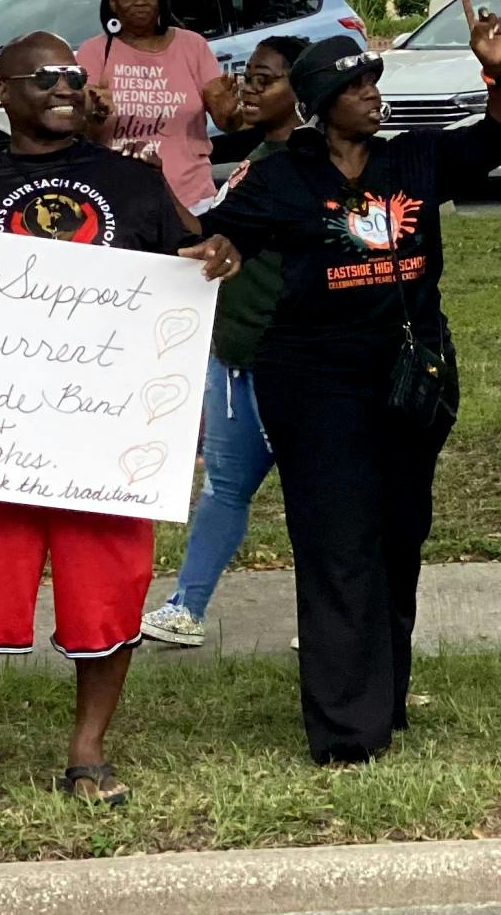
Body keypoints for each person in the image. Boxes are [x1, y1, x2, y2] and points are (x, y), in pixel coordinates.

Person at [0, 30, 240, 824]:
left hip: (104, 441)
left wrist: (215, 257)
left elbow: (187, 262)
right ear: (4, 92)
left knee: (107, 601)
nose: (67, 86)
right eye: (45, 77)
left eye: (74, 73)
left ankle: (87, 753)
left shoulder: (131, 186)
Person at [208, 0, 501, 763]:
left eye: (374, 82)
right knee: (336, 538)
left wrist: (496, 71)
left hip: (408, 374)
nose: (372, 95)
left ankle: (386, 689)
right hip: (313, 377)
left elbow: (498, 135)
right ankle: (348, 726)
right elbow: (219, 232)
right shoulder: (285, 176)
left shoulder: (411, 157)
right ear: (318, 107)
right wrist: (217, 248)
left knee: (398, 532)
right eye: (355, 88)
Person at [140, 34, 309, 647]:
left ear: (303, 90)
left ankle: (328, 616)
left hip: (291, 363)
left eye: (266, 79)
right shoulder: (258, 157)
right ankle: (186, 607)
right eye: (247, 77)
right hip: (235, 359)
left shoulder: (308, 167)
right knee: (226, 489)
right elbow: (209, 231)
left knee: (316, 494)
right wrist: (157, 185)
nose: (249, 89)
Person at [77, 0, 241, 217]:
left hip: (192, 198)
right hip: (117, 199)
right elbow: (83, 129)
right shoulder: (95, 51)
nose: (140, 2)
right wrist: (95, 112)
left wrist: (232, 113)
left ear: (161, 0)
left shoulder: (192, 45)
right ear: (113, 4)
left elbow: (226, 122)